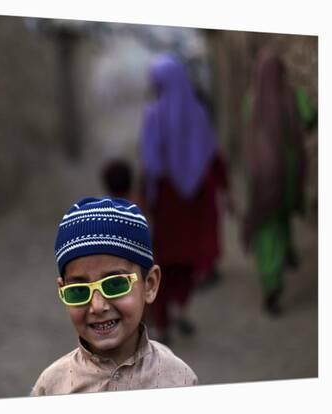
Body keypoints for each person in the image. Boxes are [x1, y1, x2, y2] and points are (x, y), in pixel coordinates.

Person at [30, 197, 197, 396]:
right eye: (79, 290)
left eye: (115, 284)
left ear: (150, 285)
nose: (98, 306)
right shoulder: (51, 388)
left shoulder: (178, 380)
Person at [139, 53, 232, 343]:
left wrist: (146, 197)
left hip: (167, 200)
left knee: (164, 259)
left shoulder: (153, 115)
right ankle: (182, 310)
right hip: (196, 200)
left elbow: (151, 164)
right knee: (188, 257)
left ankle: (163, 323)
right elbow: (211, 154)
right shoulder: (199, 113)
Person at [241, 48, 308, 316]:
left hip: (260, 176)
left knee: (266, 229)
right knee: (280, 220)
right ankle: (286, 255)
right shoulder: (292, 96)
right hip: (288, 175)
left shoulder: (251, 99)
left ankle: (271, 284)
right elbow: (311, 117)